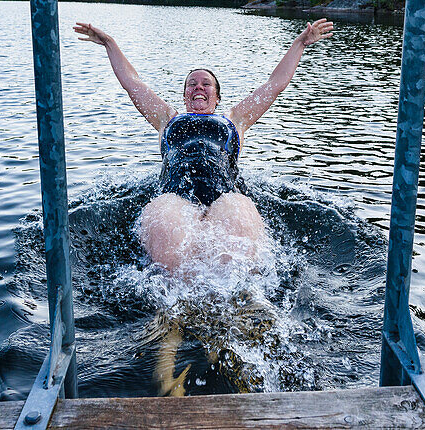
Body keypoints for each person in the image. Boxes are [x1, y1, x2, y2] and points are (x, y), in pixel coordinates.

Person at [72, 18, 333, 273]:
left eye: (206, 84)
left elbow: (274, 85)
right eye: (192, 84)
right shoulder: (167, 119)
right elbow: (133, 84)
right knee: (172, 259)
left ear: (217, 97)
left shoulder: (235, 120)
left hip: (225, 198)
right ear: (185, 95)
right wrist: (109, 43)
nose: (199, 87)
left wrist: (300, 43)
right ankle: (173, 313)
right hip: (175, 198)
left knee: (237, 260)